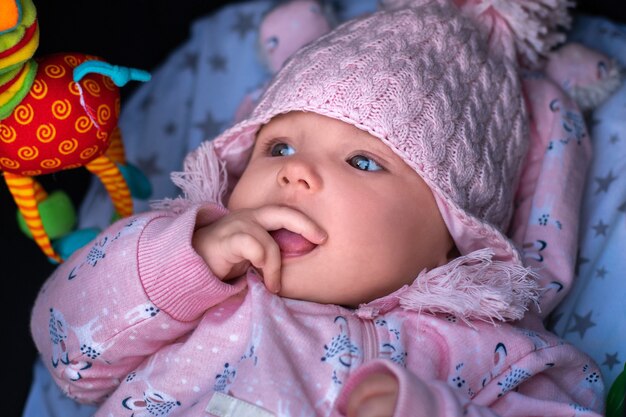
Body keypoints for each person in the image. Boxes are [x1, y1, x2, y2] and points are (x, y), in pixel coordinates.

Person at [29, 0, 606, 416]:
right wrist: (186, 262)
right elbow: (66, 350)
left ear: (452, 237)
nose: (294, 170)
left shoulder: (483, 350)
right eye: (279, 146)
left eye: (361, 162)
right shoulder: (198, 273)